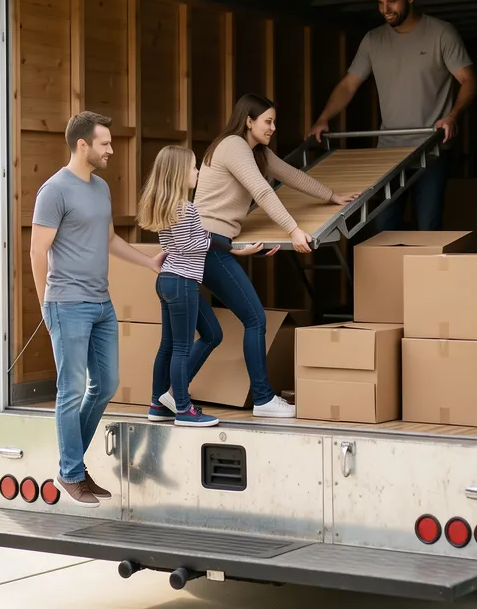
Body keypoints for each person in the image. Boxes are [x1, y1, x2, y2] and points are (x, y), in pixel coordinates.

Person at [193, 93, 359, 418]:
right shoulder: (233, 146)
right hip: (209, 244)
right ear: (249, 121)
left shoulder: (256, 152)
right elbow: (263, 191)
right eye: (267, 121)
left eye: (273, 121)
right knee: (254, 318)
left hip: (216, 242)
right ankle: (264, 399)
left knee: (214, 331)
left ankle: (170, 394)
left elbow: (291, 176)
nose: (273, 127)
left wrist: (331, 196)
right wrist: (293, 230)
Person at [31, 110, 166, 507]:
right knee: (70, 390)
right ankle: (73, 472)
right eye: (105, 143)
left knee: (105, 384)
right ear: (82, 144)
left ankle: (70, 466)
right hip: (67, 303)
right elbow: (38, 250)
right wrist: (45, 303)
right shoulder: (53, 191)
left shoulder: (101, 188)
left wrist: (147, 261)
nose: (111, 149)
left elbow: (108, 239)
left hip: (101, 304)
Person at [309, 0, 477, 233]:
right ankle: (390, 276)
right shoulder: (373, 40)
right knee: (384, 227)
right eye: (380, 3)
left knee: (428, 226)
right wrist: (323, 119)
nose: (385, 9)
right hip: (388, 154)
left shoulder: (441, 33)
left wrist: (452, 116)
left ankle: (428, 276)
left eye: (392, 2)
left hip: (431, 151)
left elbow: (469, 80)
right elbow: (349, 85)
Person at [136, 145, 267, 427]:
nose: (197, 172)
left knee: (185, 341)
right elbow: (190, 244)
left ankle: (158, 403)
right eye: (194, 167)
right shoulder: (185, 208)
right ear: (180, 173)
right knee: (181, 347)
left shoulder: (163, 205)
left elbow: (189, 239)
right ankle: (183, 408)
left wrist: (224, 245)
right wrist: (226, 245)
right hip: (183, 283)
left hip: (167, 281)